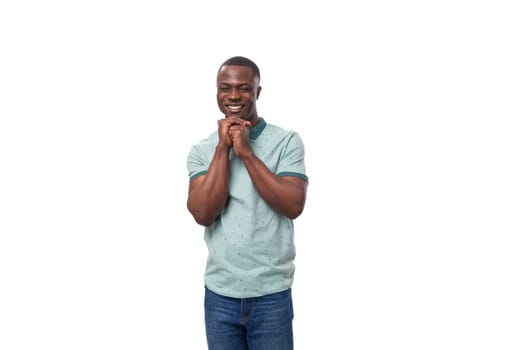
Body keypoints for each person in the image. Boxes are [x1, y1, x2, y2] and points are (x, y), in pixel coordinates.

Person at [186, 56, 308, 349]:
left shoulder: (286, 142)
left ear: (257, 91)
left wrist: (247, 154)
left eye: (243, 88)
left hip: (271, 294)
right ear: (217, 92)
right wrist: (222, 149)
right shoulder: (202, 150)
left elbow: (294, 205)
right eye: (225, 88)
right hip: (220, 294)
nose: (233, 96)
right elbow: (203, 212)